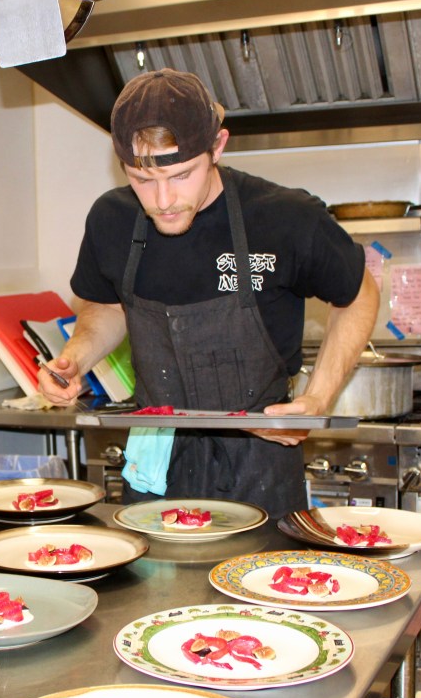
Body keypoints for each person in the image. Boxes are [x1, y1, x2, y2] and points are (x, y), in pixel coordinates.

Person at [38, 68, 379, 518]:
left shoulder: (284, 217)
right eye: (142, 179)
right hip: (155, 466)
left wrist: (318, 399)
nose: (162, 200)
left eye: (180, 176)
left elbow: (359, 294)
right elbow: (107, 305)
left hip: (261, 466)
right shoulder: (111, 220)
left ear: (217, 146)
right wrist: (75, 358)